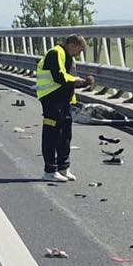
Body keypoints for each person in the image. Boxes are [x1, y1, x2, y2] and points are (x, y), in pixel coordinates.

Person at [35, 34, 92, 181]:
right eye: (80, 50)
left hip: (63, 101)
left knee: (65, 135)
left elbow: (69, 80)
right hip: (51, 99)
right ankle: (50, 171)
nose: (80, 54)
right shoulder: (55, 53)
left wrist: (83, 83)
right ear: (72, 45)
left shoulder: (70, 58)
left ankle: (63, 167)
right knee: (52, 134)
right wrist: (77, 80)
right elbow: (59, 77)